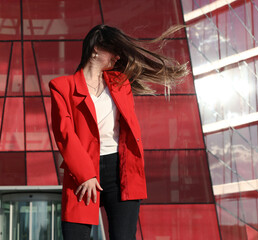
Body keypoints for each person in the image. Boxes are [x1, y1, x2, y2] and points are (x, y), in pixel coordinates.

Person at [49, 24, 187, 240]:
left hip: (121, 170)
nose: (117, 57)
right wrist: (86, 175)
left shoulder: (120, 82)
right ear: (95, 49)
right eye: (114, 50)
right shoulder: (61, 87)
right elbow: (64, 133)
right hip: (82, 173)